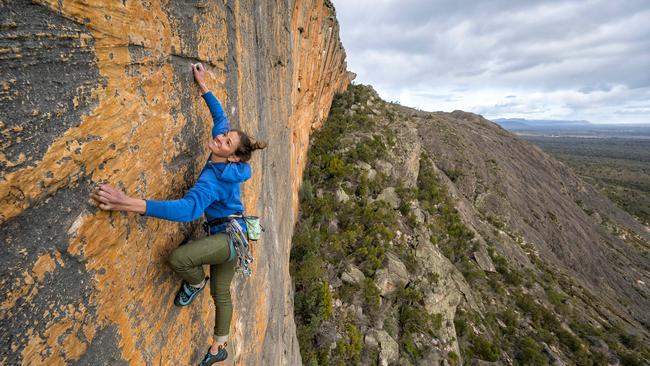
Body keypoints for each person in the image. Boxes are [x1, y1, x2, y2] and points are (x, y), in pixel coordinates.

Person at [91, 63, 266, 365]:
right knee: (222, 290)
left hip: (228, 238)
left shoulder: (214, 180)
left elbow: (188, 210)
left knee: (180, 260)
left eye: (226, 141)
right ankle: (218, 346)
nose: (221, 137)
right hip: (233, 236)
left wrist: (126, 202)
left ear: (233, 156)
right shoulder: (223, 149)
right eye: (224, 136)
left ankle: (198, 290)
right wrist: (203, 85)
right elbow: (220, 117)